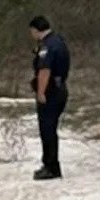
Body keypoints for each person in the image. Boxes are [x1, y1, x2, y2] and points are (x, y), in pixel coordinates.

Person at [29, 15, 71, 181]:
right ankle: (50, 164)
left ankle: (51, 167)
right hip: (60, 88)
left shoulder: (48, 46)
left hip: (51, 92)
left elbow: (44, 70)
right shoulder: (58, 41)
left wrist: (41, 92)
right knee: (50, 128)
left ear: (35, 30)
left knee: (47, 129)